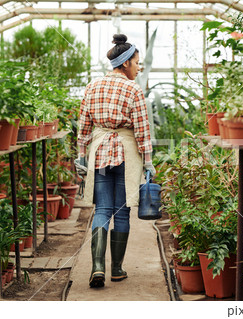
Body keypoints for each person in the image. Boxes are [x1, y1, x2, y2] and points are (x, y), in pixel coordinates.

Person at [77, 34, 155, 288]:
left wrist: (81, 154)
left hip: (99, 151)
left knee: (101, 210)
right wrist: (148, 161)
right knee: (122, 212)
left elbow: (84, 125)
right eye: (136, 62)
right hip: (126, 152)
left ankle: (97, 267)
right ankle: (117, 269)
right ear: (125, 64)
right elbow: (142, 130)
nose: (138, 66)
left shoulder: (92, 86)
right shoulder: (133, 89)